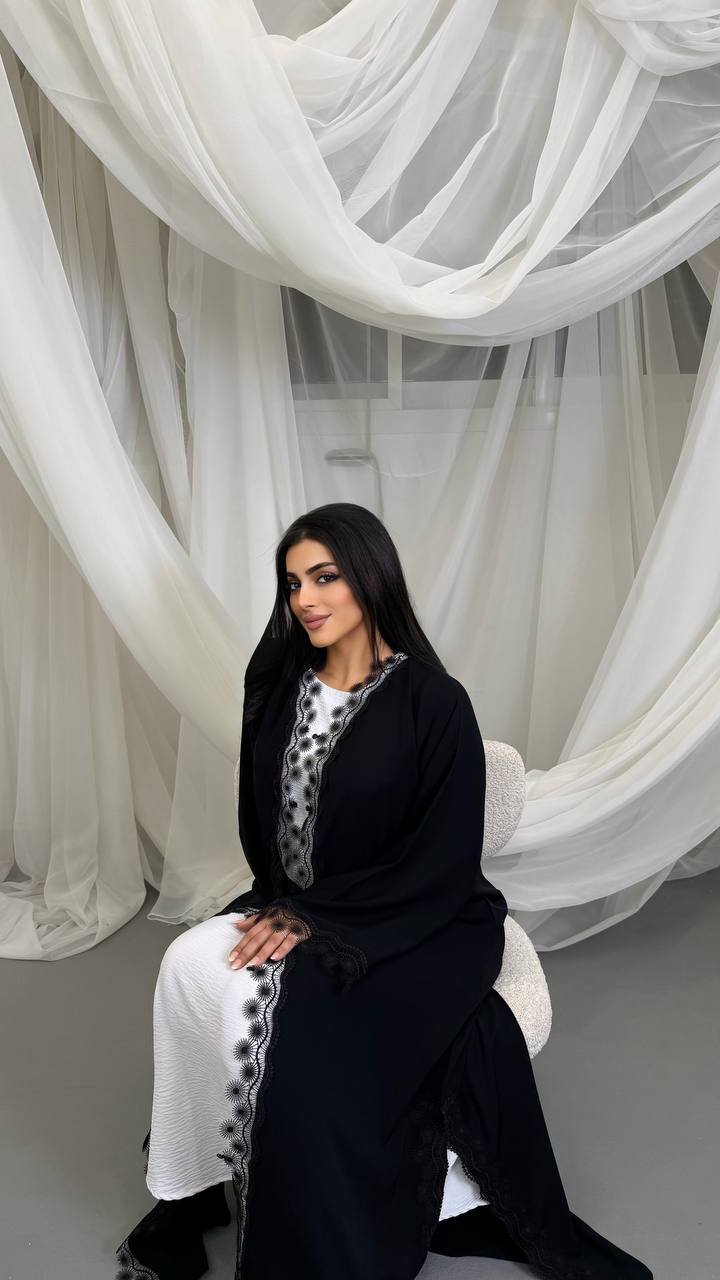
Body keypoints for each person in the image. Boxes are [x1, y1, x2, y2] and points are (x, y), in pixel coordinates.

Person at [115, 502, 654, 1280]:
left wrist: (317, 919)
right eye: (293, 582)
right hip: (294, 906)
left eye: (324, 577)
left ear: (370, 577)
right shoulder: (276, 687)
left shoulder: (434, 703)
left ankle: (328, 1214)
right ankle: (194, 1182)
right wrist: (285, 907)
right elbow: (260, 827)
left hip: (420, 918)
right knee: (185, 968)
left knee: (299, 1034)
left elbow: (441, 862)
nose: (305, 599)